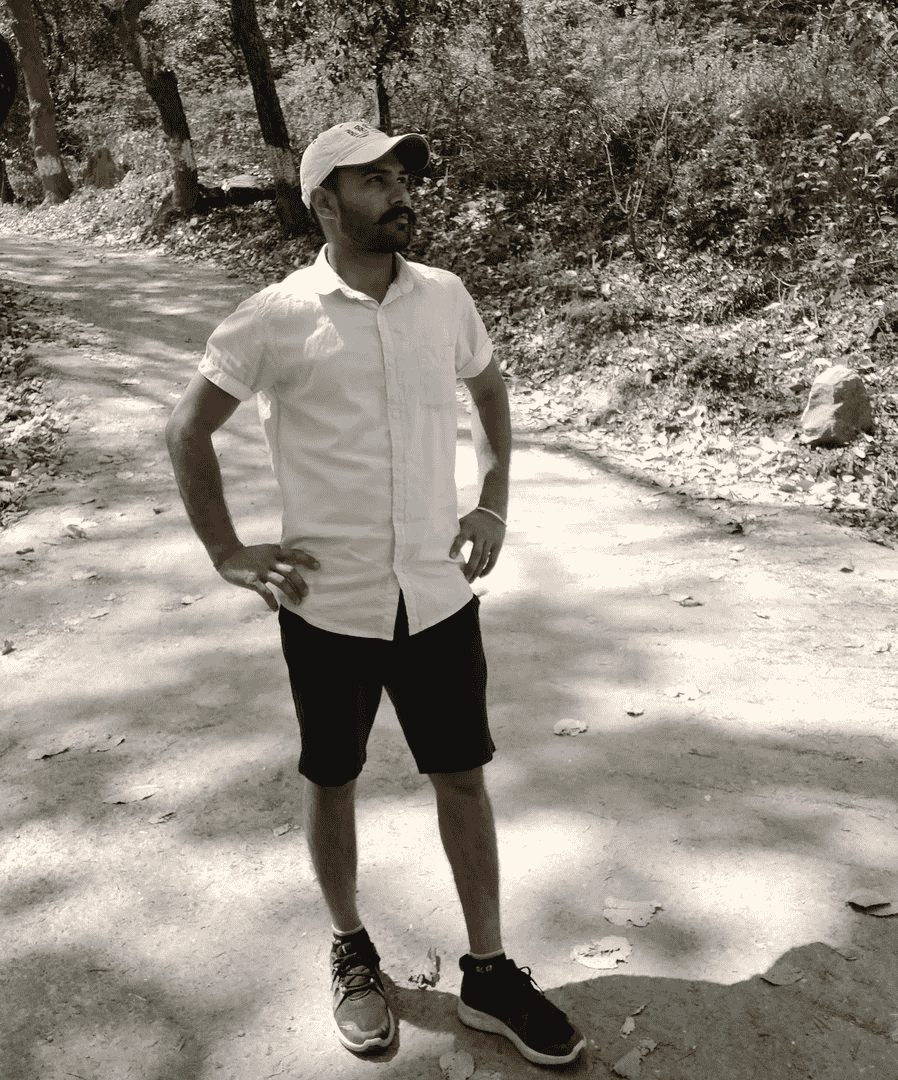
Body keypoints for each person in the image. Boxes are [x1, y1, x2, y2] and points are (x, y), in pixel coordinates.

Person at [165, 121, 585, 1067]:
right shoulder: (274, 316)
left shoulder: (445, 296)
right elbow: (187, 430)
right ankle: (352, 951)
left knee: (463, 776)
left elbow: (488, 388)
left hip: (437, 595)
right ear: (323, 202)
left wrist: (494, 500)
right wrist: (227, 551)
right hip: (331, 607)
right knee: (332, 777)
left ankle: (488, 973)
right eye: (374, 180)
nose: (399, 192)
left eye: (402, 176)